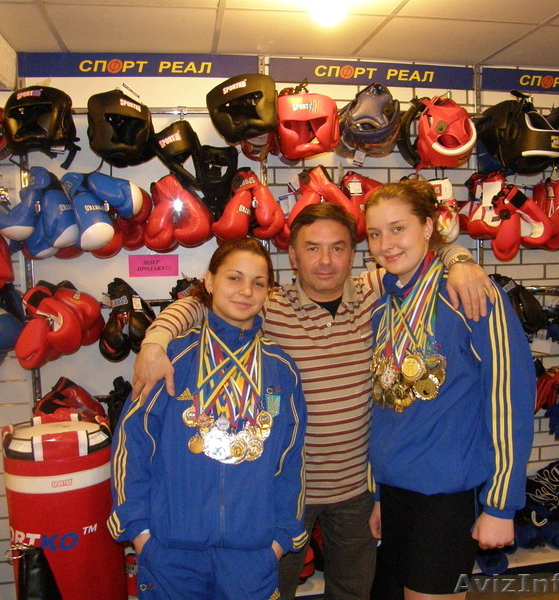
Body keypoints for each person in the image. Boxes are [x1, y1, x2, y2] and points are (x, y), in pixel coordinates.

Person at [132, 202, 496, 600]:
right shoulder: (267, 302)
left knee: (353, 592)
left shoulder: (374, 293)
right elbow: (198, 302)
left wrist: (460, 260)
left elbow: (421, 252)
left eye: (337, 248)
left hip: (356, 490)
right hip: (286, 494)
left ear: (353, 254)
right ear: (292, 255)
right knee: (275, 590)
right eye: (312, 248)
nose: (325, 261)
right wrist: (154, 342)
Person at [108, 237, 308, 600]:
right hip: (171, 554)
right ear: (210, 281)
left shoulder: (281, 369)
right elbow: (132, 444)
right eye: (234, 278)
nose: (245, 291)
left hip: (252, 557)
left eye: (258, 283)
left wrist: (279, 540)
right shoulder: (171, 358)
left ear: (268, 292)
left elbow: (289, 459)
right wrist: (140, 535)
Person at [363, 179, 535, 600]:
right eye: (374, 233)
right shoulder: (384, 306)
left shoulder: (472, 295)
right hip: (396, 494)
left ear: (427, 227)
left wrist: (500, 505)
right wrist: (379, 493)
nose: (386, 244)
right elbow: (385, 405)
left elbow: (509, 401)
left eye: (398, 228)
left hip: (446, 499)